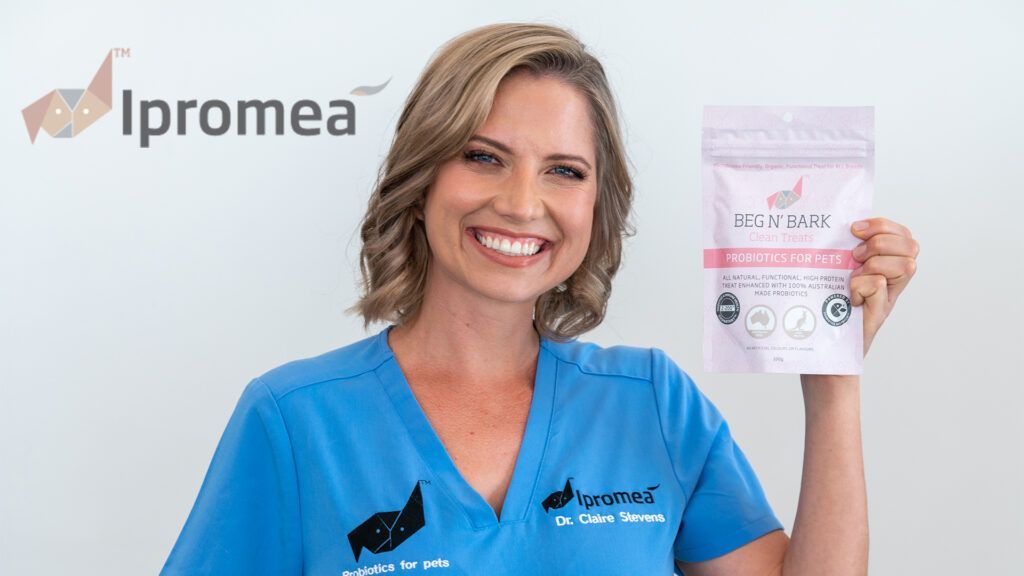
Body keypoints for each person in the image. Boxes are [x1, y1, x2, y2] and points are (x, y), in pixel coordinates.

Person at [160, 22, 919, 576]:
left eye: (564, 170)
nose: (523, 204)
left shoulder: (652, 402)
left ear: (598, 205)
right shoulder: (296, 421)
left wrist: (833, 386)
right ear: (423, 176)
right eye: (484, 157)